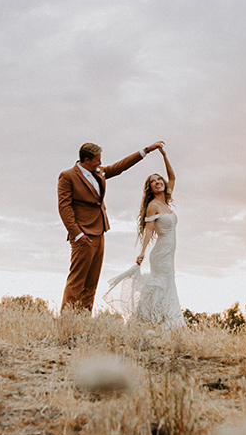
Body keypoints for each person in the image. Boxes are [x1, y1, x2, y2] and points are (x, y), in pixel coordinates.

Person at [58, 140, 165, 313]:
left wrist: (146, 150)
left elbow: (120, 166)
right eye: (97, 160)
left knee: (91, 283)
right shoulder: (68, 176)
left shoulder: (98, 172)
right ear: (86, 160)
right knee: (77, 281)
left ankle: (83, 322)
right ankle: (66, 322)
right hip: (83, 236)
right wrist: (77, 234)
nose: (100, 163)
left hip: (100, 232)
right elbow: (64, 207)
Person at [103, 146, 185, 327]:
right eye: (152, 181)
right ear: (150, 188)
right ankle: (148, 320)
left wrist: (164, 154)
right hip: (160, 254)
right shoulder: (153, 205)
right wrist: (141, 252)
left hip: (169, 254)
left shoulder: (166, 200)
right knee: (160, 285)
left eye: (158, 179)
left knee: (167, 285)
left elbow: (173, 177)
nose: (157, 182)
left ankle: (166, 320)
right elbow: (148, 231)